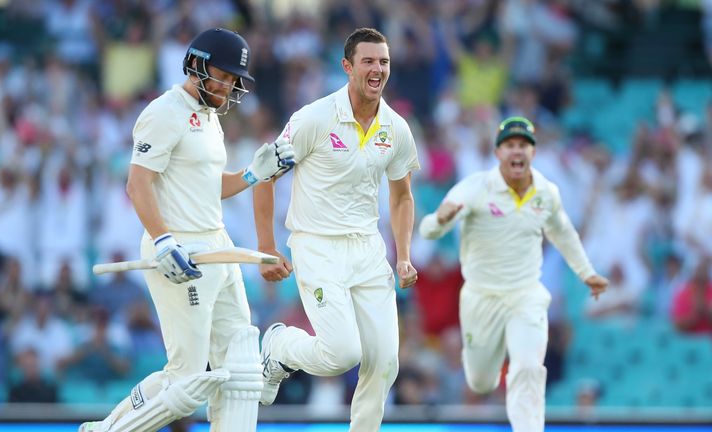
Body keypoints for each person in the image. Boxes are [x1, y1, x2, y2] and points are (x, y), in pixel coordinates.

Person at [79, 28, 294, 432]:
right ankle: (109, 429)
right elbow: (137, 183)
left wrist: (252, 174)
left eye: (234, 80)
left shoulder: (211, 118)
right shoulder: (164, 112)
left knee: (241, 370)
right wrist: (163, 241)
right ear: (196, 64)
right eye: (224, 75)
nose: (229, 85)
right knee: (188, 381)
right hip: (182, 251)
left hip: (219, 245)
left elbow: (209, 186)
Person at [253, 27, 420, 431]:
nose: (377, 69)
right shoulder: (313, 118)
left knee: (384, 361)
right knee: (343, 353)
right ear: (347, 66)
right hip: (317, 245)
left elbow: (401, 198)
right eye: (368, 61)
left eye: (383, 61)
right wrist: (267, 249)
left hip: (366, 248)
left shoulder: (396, 128)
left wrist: (403, 256)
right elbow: (264, 176)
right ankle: (279, 346)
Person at [418, 116, 608, 432]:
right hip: (483, 296)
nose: (516, 152)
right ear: (498, 152)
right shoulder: (475, 187)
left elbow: (564, 235)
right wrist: (438, 221)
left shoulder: (545, 192)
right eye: (510, 145)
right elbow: (428, 229)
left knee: (528, 365)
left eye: (523, 145)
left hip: (524, 294)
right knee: (479, 380)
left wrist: (587, 273)